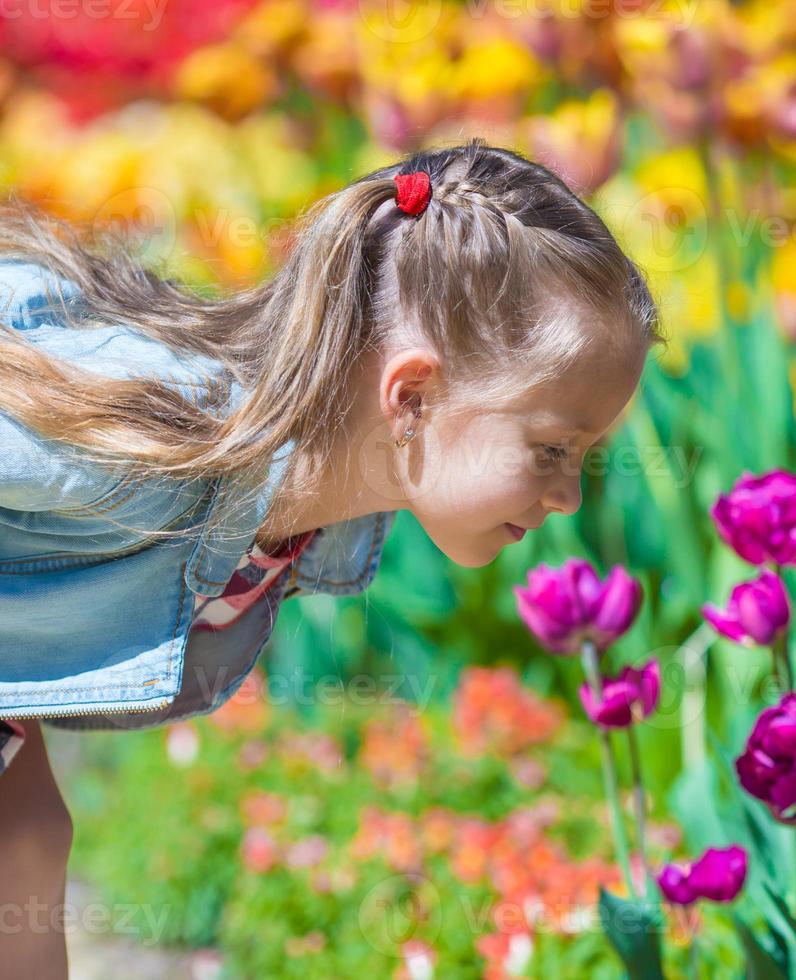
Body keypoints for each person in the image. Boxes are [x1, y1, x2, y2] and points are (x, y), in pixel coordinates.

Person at [0, 138, 662, 978]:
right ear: (411, 397)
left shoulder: (305, 510)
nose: (568, 495)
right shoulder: (151, 453)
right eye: (551, 448)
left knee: (24, 845)